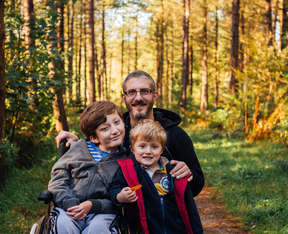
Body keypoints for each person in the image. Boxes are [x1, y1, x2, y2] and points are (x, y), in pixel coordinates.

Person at [56, 70, 204, 197]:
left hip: (160, 217)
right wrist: (78, 142)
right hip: (117, 216)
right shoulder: (117, 133)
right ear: (124, 97)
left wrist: (188, 173)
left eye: (145, 91)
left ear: (155, 96)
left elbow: (197, 186)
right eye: (131, 92)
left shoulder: (175, 135)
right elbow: (100, 148)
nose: (138, 98)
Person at [109, 120, 204, 234]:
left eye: (154, 146)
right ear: (132, 149)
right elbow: (114, 188)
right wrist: (121, 196)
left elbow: (188, 201)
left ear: (161, 150)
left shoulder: (173, 172)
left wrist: (196, 229)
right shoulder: (130, 172)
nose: (148, 151)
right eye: (142, 146)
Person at [47, 100, 126, 234]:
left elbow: (117, 200)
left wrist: (92, 205)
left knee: (98, 231)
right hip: (69, 208)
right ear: (94, 138)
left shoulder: (125, 160)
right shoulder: (77, 149)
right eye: (105, 128)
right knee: (62, 226)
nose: (114, 130)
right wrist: (70, 203)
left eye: (117, 122)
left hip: (102, 213)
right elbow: (58, 179)